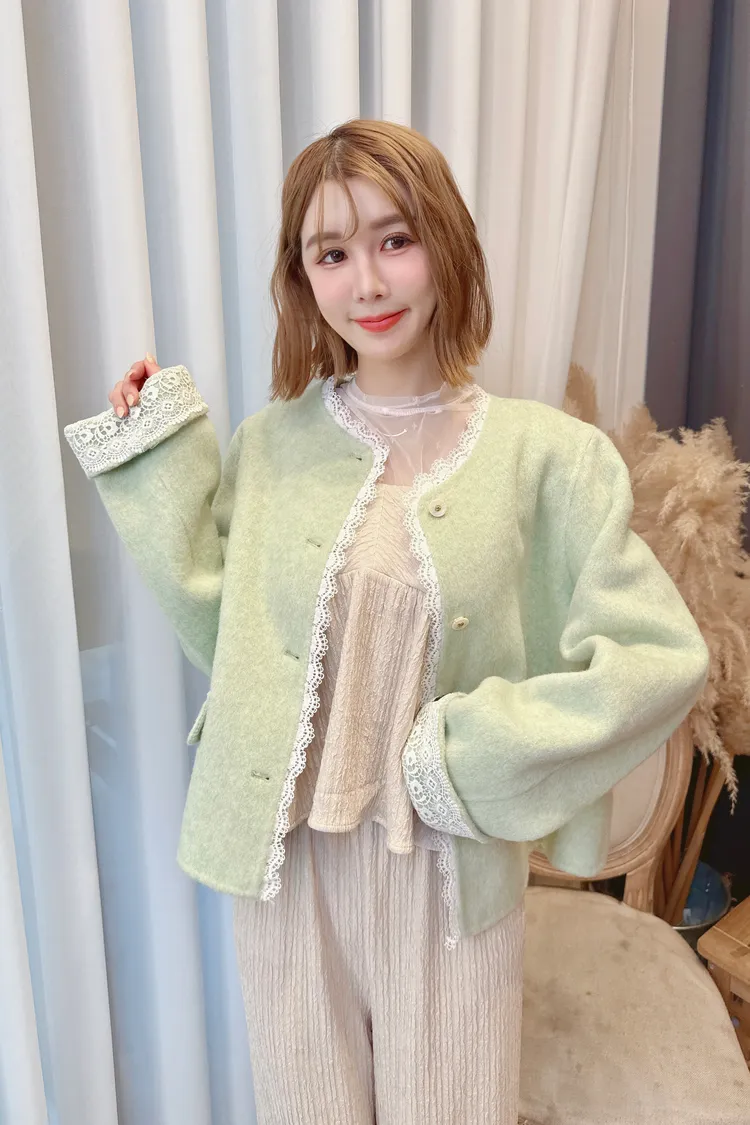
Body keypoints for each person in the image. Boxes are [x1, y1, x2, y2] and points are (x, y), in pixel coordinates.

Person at [63, 119, 710, 1125]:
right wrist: (158, 457)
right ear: (303, 277)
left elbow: (658, 659)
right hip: (285, 869)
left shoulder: (549, 458)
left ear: (444, 241)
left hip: (446, 873)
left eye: (393, 239)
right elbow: (228, 637)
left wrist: (469, 755)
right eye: (331, 253)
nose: (366, 281)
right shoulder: (271, 446)